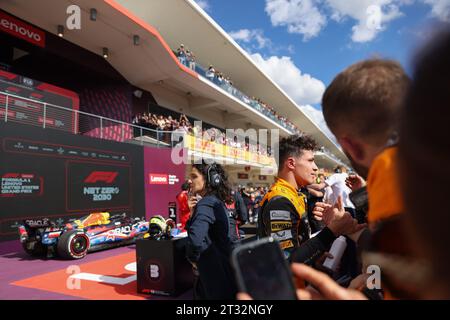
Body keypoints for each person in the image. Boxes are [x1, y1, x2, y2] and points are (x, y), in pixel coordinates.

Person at [257, 135, 364, 262]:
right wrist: (331, 231)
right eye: (310, 160)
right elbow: (287, 262)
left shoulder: (293, 195)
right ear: (291, 163)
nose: (316, 167)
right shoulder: (280, 201)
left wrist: (314, 257)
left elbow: (297, 250)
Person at [185, 162, 236, 300]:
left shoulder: (206, 203)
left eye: (194, 176)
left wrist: (193, 259)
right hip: (224, 270)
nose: (190, 181)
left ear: (211, 179)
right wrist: (192, 213)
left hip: (213, 275)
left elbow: (195, 240)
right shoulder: (215, 201)